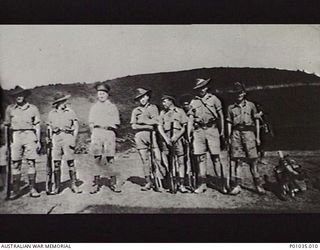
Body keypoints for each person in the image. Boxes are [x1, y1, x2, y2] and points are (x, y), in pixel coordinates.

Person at [187, 78, 227, 194]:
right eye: (199, 88)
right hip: (199, 131)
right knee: (201, 158)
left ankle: (221, 183)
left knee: (216, 158)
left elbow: (221, 116)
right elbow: (190, 118)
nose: (202, 90)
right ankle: (202, 184)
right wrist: (189, 133)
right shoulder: (193, 102)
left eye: (204, 87)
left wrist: (222, 131)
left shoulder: (214, 99)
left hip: (212, 130)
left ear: (207, 87)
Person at [226, 82, 266, 195]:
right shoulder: (230, 108)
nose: (238, 95)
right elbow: (229, 123)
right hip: (236, 134)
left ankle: (258, 185)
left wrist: (258, 137)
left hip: (249, 134)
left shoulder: (251, 105)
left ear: (244, 93)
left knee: (253, 160)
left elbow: (257, 121)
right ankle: (237, 186)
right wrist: (228, 137)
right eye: (236, 93)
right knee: (237, 160)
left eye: (240, 92)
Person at [4, 86, 41, 199]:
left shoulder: (33, 108)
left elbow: (37, 125)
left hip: (30, 135)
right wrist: (7, 144)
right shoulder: (10, 109)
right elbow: (7, 126)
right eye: (16, 95)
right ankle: (16, 190)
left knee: (31, 162)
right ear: (14, 97)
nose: (18, 97)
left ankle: (32, 188)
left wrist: (38, 140)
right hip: (16, 136)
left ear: (25, 95)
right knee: (16, 163)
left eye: (20, 95)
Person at [88, 83, 121, 194]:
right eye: (99, 93)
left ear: (107, 94)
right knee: (97, 158)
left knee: (110, 158)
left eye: (103, 93)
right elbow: (91, 123)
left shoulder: (112, 107)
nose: (101, 95)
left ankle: (113, 183)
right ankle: (96, 184)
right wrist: (94, 134)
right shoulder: (94, 107)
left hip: (109, 132)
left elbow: (116, 123)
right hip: (97, 133)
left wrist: (109, 128)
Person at [130, 88, 165, 191]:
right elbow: (133, 126)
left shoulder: (153, 108)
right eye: (140, 98)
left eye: (143, 97)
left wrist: (142, 121)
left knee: (157, 158)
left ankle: (159, 182)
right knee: (145, 160)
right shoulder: (136, 110)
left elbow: (157, 121)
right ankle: (148, 182)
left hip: (152, 135)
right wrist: (147, 125)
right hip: (140, 137)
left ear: (148, 96)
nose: (142, 100)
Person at [47, 92, 82, 195]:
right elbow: (49, 127)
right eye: (62, 102)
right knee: (56, 163)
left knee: (70, 162)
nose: (64, 103)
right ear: (57, 103)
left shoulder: (70, 112)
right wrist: (49, 138)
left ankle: (74, 185)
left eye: (64, 101)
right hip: (56, 138)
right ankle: (57, 186)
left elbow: (76, 126)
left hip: (68, 137)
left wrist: (74, 139)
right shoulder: (51, 113)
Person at [158, 94, 189, 193]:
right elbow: (159, 126)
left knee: (181, 161)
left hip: (178, 139)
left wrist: (176, 136)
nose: (163, 104)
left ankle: (182, 184)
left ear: (170, 101)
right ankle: (171, 181)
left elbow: (184, 126)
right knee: (167, 161)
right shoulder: (162, 113)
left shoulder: (180, 111)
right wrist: (166, 138)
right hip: (166, 139)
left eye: (165, 101)